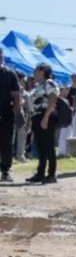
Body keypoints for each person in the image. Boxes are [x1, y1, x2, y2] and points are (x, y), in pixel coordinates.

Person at [27, 63, 60, 185]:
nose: (34, 72)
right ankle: (40, 173)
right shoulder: (38, 85)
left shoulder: (49, 83)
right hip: (37, 116)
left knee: (48, 145)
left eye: (35, 70)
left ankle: (52, 174)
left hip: (46, 115)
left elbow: (53, 100)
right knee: (41, 146)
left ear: (42, 71)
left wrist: (45, 117)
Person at [0, 47, 22, 183]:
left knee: (7, 143)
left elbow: (16, 95)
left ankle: (5, 171)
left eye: (0, 54)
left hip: (6, 114)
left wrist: (14, 111)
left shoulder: (10, 74)